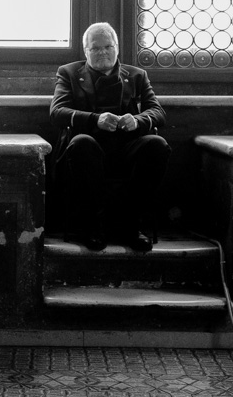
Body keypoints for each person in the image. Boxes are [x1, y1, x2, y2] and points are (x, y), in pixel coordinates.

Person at [50, 22, 170, 252]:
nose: (103, 52)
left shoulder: (137, 75)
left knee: (157, 145)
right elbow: (57, 113)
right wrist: (95, 120)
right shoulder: (69, 73)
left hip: (127, 149)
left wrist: (137, 121)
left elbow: (158, 112)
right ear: (85, 51)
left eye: (108, 47)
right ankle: (94, 226)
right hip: (89, 151)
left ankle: (131, 224)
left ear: (117, 47)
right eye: (95, 48)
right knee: (82, 143)